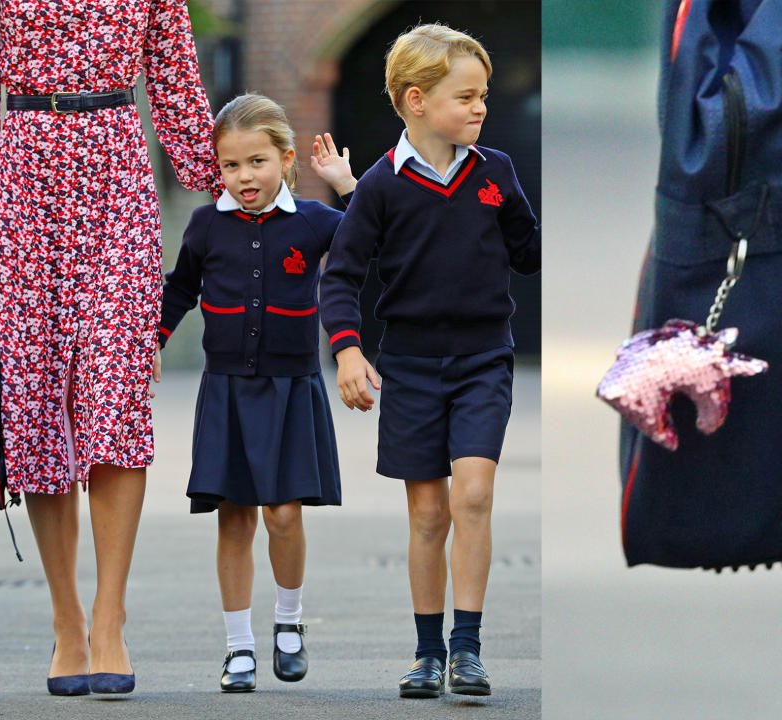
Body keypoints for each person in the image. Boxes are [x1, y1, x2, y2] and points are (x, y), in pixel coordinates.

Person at [0, 0, 225, 696]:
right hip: (25, 170)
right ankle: (67, 620)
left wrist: (224, 184)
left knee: (114, 391)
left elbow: (177, 72)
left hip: (117, 162)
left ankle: (109, 616)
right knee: (34, 401)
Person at [319, 23, 541, 698]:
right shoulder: (381, 188)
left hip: (482, 359)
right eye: (465, 96)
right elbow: (341, 276)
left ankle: (468, 649)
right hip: (411, 366)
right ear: (416, 100)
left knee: (472, 493)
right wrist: (349, 351)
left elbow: (527, 250)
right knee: (427, 516)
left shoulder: (496, 172)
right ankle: (427, 653)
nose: (480, 108)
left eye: (483, 96)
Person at [152, 93, 357, 693]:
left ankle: (288, 625)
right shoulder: (205, 224)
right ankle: (238, 648)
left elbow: (377, 242)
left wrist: (348, 188)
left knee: (285, 515)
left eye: (257, 162)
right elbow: (180, 288)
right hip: (227, 391)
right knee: (234, 518)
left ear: (287, 159)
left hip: (292, 388)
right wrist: (151, 344)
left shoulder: (318, 221)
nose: (244, 177)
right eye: (230, 165)